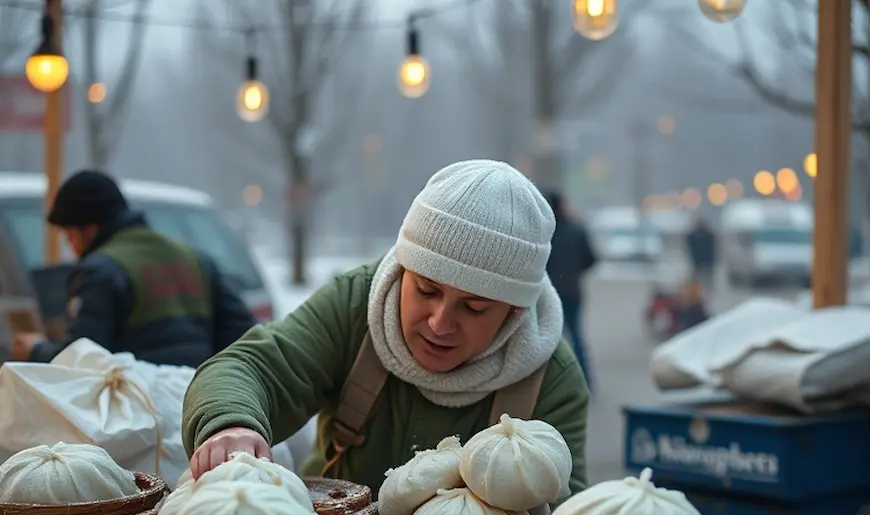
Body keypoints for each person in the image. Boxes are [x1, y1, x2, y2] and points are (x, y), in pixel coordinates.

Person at [183, 159, 590, 497]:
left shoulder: (550, 379)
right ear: (401, 269)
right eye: (427, 289)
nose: (440, 322)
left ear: (514, 313)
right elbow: (251, 368)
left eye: (475, 307)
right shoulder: (356, 305)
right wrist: (230, 424)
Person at [9, 170, 256, 367]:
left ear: (91, 229)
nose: (70, 245)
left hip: (136, 413)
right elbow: (243, 337)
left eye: (70, 235)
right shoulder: (196, 259)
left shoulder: (100, 270)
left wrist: (37, 350)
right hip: (199, 407)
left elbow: (82, 360)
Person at [544, 190, 597, 390]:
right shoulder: (576, 230)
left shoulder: (545, 233)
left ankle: (553, 384)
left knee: (551, 339)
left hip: (549, 293)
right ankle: (585, 380)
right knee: (576, 336)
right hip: (573, 292)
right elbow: (592, 259)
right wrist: (574, 272)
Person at [685, 216, 717, 291]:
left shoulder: (709, 235)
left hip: (707, 261)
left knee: (707, 279)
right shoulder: (694, 235)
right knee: (697, 279)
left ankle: (707, 290)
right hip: (697, 261)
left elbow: (713, 248)